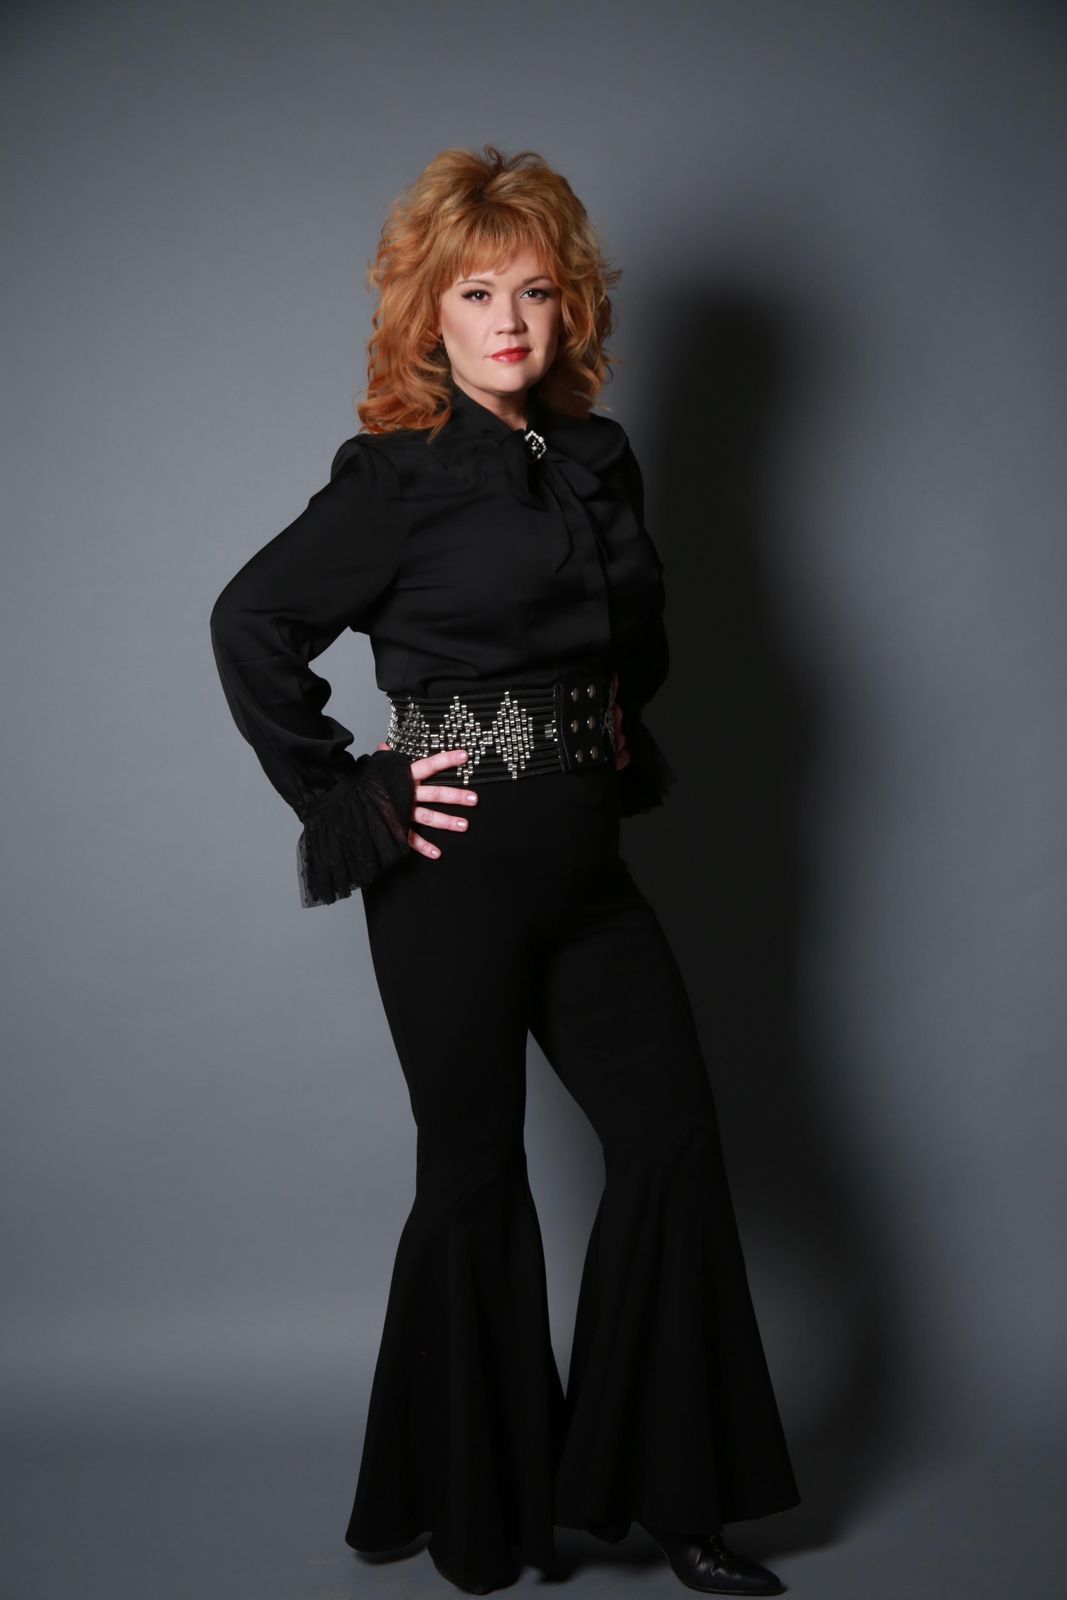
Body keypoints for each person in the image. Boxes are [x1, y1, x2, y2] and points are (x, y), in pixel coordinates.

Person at [209, 144, 800, 1596]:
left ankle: (671, 1497)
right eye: (477, 294)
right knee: (473, 1175)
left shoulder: (598, 457)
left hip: (590, 875)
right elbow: (250, 623)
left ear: (569, 303)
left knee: (671, 1141)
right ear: (431, 313)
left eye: (534, 291)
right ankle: (472, 1504)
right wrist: (350, 790)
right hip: (452, 882)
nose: (510, 321)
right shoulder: (395, 480)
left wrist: (601, 726)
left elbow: (633, 636)